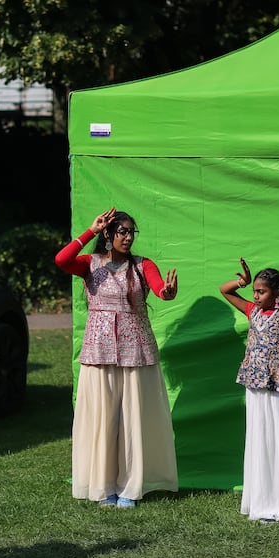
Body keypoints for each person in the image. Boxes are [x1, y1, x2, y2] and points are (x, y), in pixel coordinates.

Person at [55, 207, 179, 509]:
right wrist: (91, 230)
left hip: (135, 350)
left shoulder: (142, 264)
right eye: (121, 231)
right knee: (102, 418)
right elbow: (62, 260)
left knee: (132, 419)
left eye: (130, 232)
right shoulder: (90, 264)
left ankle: (129, 487)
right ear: (108, 235)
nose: (127, 237)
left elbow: (160, 289)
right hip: (99, 351)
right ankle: (103, 485)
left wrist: (167, 291)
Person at [219, 258, 279, 523]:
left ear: (276, 293)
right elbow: (225, 290)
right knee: (260, 438)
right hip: (256, 384)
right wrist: (241, 281)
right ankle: (262, 502)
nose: (255, 295)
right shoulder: (252, 311)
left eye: (260, 291)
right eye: (254, 290)